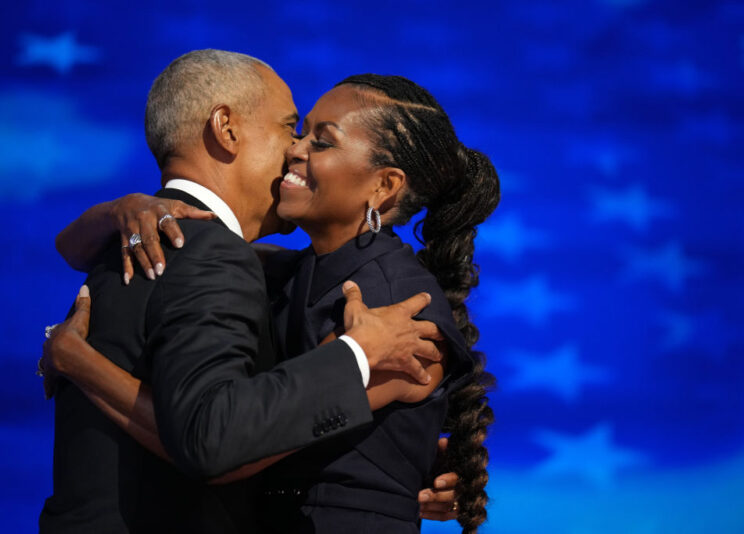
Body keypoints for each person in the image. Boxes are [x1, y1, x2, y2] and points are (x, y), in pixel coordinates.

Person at [48, 71, 499, 532]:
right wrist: (123, 209)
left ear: (383, 187)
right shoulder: (283, 272)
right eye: (299, 131)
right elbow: (72, 248)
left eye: (321, 142)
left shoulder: (396, 310)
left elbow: (226, 447)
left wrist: (82, 365)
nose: (295, 149)